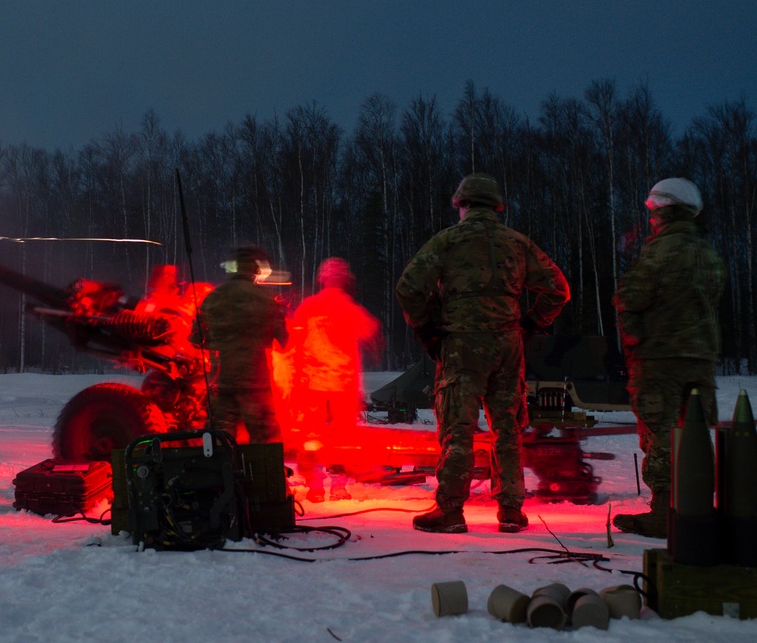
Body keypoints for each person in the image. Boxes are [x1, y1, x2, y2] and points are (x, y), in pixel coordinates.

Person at [395, 173, 570, 533]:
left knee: (457, 428)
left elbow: (409, 287)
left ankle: (450, 511)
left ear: (462, 205)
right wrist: (530, 324)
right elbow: (559, 289)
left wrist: (427, 328)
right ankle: (510, 511)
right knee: (507, 428)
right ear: (496, 208)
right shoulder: (517, 243)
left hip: (462, 345)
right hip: (507, 344)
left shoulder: (448, 241)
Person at [612, 178, 725, 538]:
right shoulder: (708, 252)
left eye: (654, 211)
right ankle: (698, 509)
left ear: (664, 210)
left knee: (659, 433)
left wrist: (631, 325)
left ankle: (663, 513)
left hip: (661, 358)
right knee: (694, 433)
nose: (650, 219)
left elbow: (631, 294)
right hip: (701, 357)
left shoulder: (661, 250)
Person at [289, 257, 382, 502]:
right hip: (342, 384)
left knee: (312, 437)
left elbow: (291, 341)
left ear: (322, 278)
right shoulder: (348, 307)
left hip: (314, 385)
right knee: (342, 436)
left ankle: (315, 486)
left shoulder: (309, 306)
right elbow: (372, 331)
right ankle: (337, 485)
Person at [190, 246, 289, 444]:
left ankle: (223, 474)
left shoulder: (213, 298)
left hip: (221, 382)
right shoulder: (266, 300)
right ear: (255, 271)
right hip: (255, 383)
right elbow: (284, 340)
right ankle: (261, 475)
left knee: (220, 440)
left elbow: (194, 339)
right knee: (264, 440)